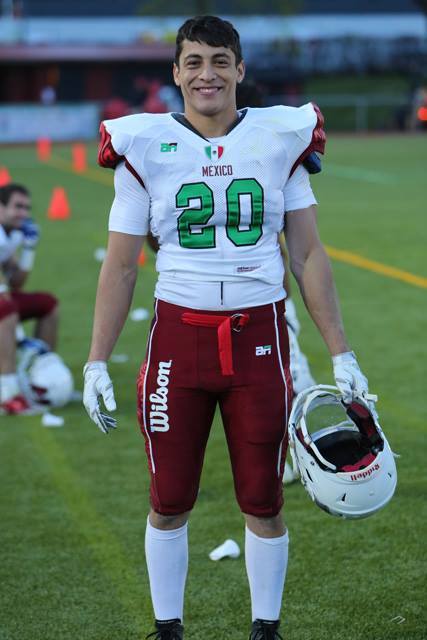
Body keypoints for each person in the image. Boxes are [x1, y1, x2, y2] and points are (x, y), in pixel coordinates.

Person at [83, 15, 371, 640]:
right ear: (176, 74)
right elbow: (123, 263)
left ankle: (265, 630)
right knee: (169, 499)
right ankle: (168, 630)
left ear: (240, 70)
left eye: (219, 60)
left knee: (265, 501)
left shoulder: (280, 136)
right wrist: (96, 360)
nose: (206, 74)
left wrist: (341, 353)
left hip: (259, 339)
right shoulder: (142, 144)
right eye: (193, 62)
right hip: (178, 343)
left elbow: (308, 255)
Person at [0, 183, 59, 414]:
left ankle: (43, 377)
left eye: (26, 208)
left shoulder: (12, 233)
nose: (24, 213)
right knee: (6, 308)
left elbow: (16, 283)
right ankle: (7, 391)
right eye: (18, 207)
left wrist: (29, 250)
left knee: (48, 303)